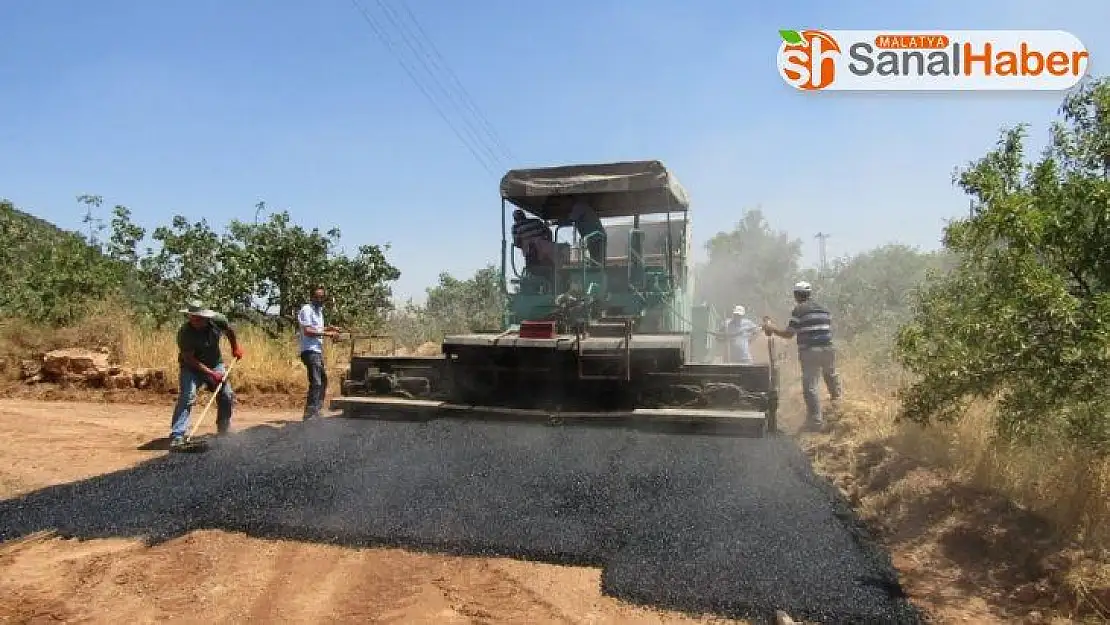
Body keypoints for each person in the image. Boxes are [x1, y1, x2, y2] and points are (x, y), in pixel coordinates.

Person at [761, 281, 843, 431]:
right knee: (830, 377)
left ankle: (816, 421)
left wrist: (771, 328)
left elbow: (788, 334)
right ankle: (839, 409)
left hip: (811, 351)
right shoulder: (824, 309)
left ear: (797, 295)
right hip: (829, 349)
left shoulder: (799, 310)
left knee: (810, 387)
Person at [169, 301, 244, 449]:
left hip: (215, 363)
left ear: (206, 317)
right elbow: (190, 359)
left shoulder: (218, 321)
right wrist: (212, 374)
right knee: (188, 395)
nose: (194, 321)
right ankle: (177, 435)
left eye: (198, 318)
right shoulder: (185, 333)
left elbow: (229, 331)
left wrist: (235, 348)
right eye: (192, 317)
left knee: (226, 393)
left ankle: (223, 429)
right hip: (191, 367)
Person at [298, 286, 344, 420]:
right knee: (316, 382)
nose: (320, 300)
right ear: (311, 297)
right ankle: (310, 413)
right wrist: (328, 333)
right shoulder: (307, 310)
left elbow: (316, 328)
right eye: (317, 297)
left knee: (323, 381)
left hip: (316, 351)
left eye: (321, 297)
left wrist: (329, 328)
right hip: (309, 350)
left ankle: (316, 410)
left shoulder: (319, 311)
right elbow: (308, 331)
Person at [558, 198, 606, 265]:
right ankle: (596, 269)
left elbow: (571, 219)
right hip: (594, 236)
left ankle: (597, 271)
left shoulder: (579, 206)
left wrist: (557, 222)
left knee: (597, 259)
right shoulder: (581, 206)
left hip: (595, 236)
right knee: (596, 259)